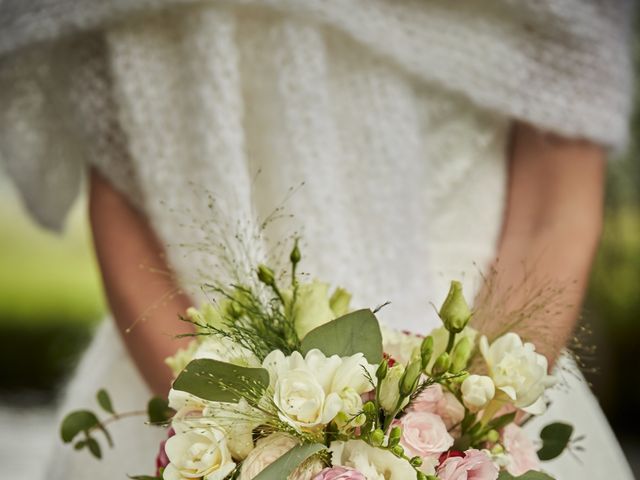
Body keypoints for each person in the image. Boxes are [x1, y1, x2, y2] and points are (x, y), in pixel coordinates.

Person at [0, 1, 635, 478]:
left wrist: (461, 432)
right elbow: (123, 191)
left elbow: (555, 195)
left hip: (487, 368)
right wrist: (231, 432)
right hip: (178, 365)